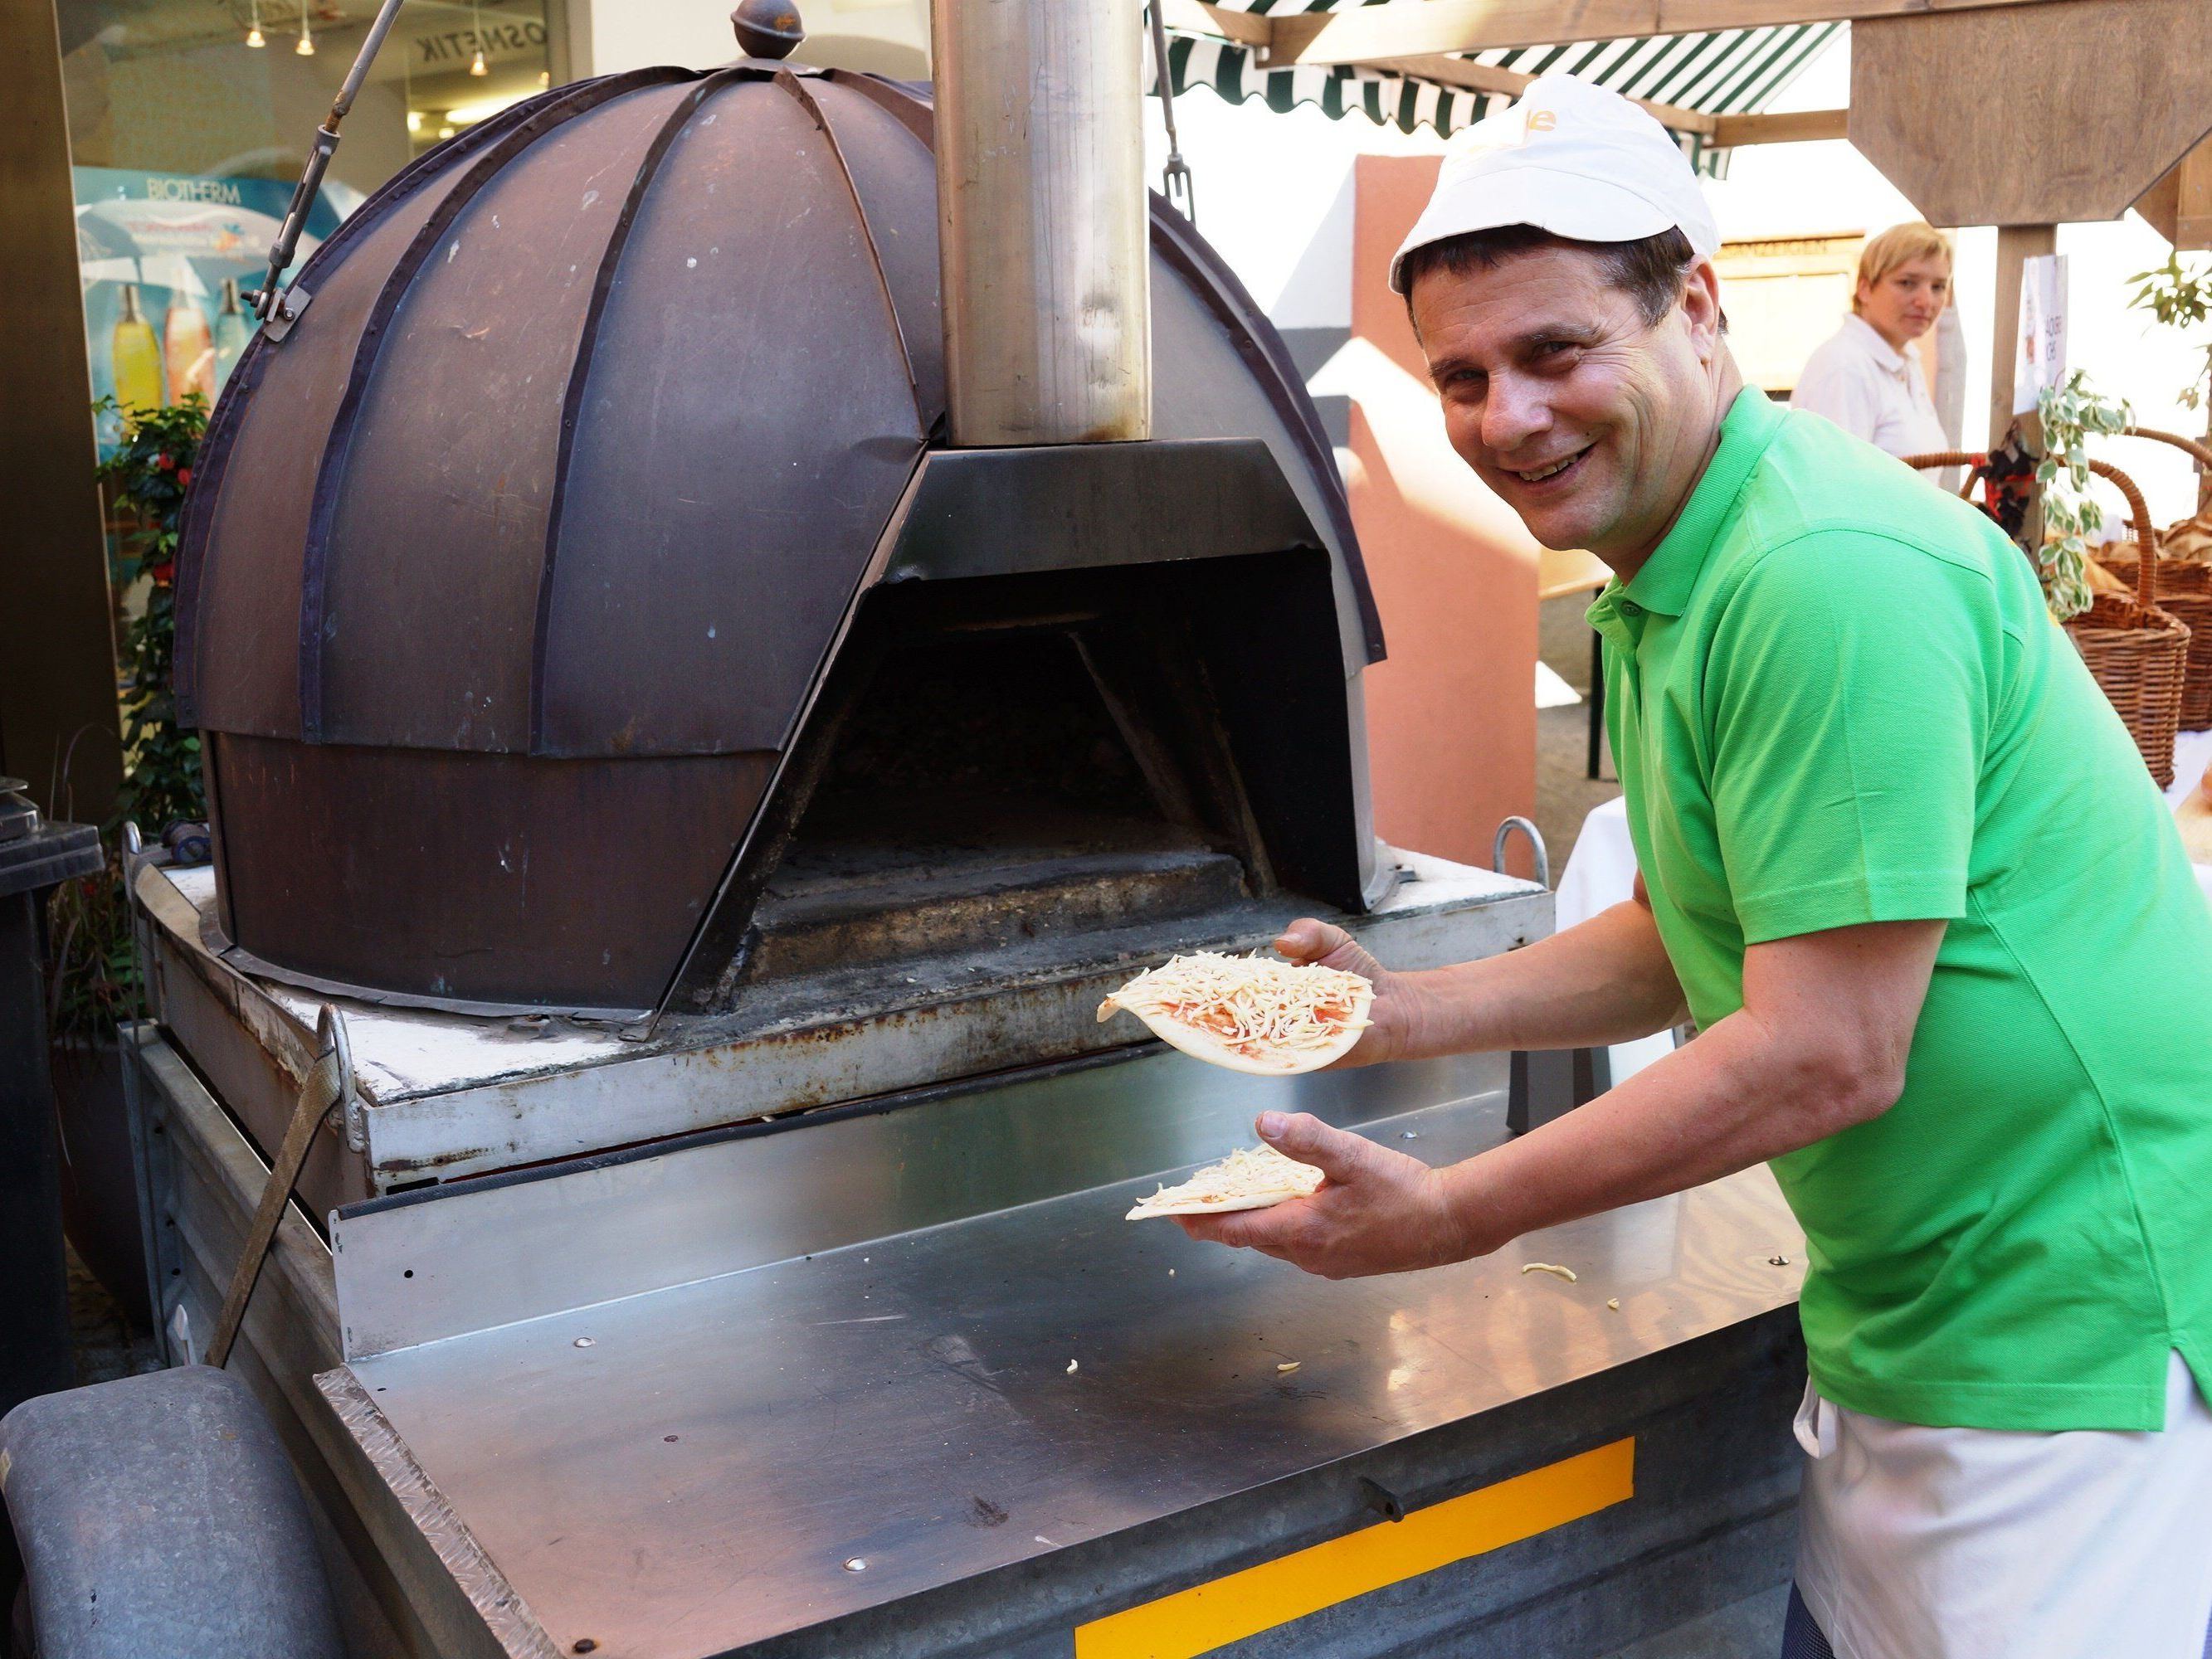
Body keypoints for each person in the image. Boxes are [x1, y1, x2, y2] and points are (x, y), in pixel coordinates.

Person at [1176, 75, 2212, 1659]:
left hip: (2073, 1342)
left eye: (1554, 351)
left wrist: (1452, 1214)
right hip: (1921, 1316)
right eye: (1460, 375)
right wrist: (1395, 1017)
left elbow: (1824, 1052)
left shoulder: (1818, 574)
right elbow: (1688, 933)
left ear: (1702, 309)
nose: (1504, 417)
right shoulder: (1678, 570)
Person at [1791, 222, 1954, 463]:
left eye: (1938, 287)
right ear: (1865, 288)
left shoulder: (1904, 359)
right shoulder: (1845, 367)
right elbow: (1834, 484)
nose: (1925, 301)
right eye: (1907, 283)